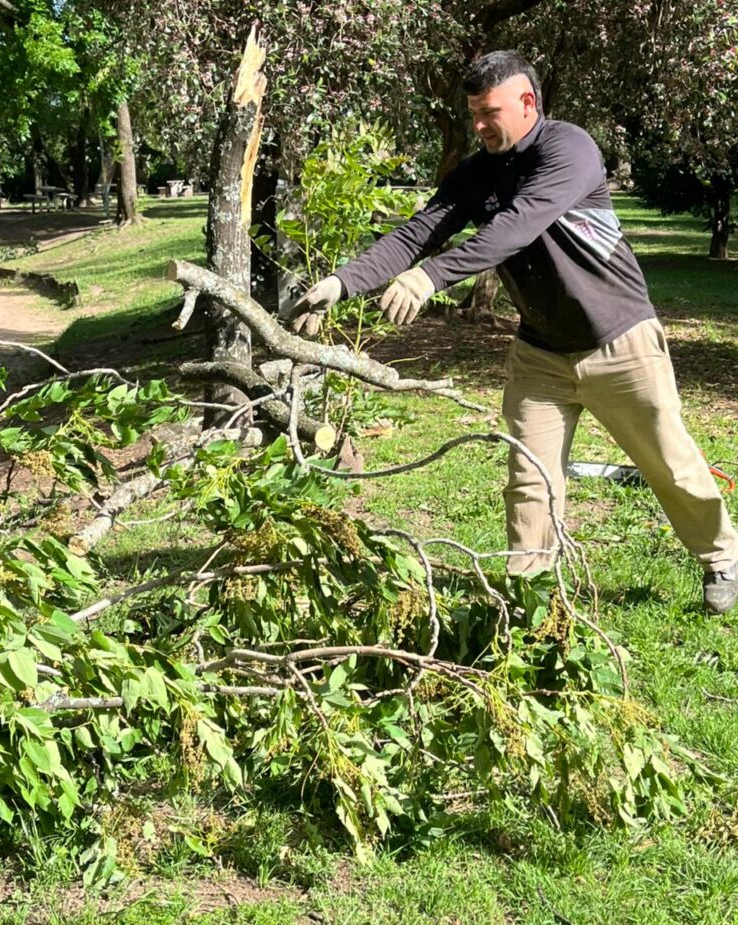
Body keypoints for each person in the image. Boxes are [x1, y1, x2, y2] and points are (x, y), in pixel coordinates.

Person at [289, 50, 738, 615]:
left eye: (489, 113)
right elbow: (417, 233)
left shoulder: (569, 149)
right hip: (540, 354)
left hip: (619, 341)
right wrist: (341, 282)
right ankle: (531, 594)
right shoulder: (475, 174)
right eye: (473, 114)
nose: (479, 125)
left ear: (528, 102)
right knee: (530, 477)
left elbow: (517, 227)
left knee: (670, 465)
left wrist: (430, 277)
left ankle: (722, 557)